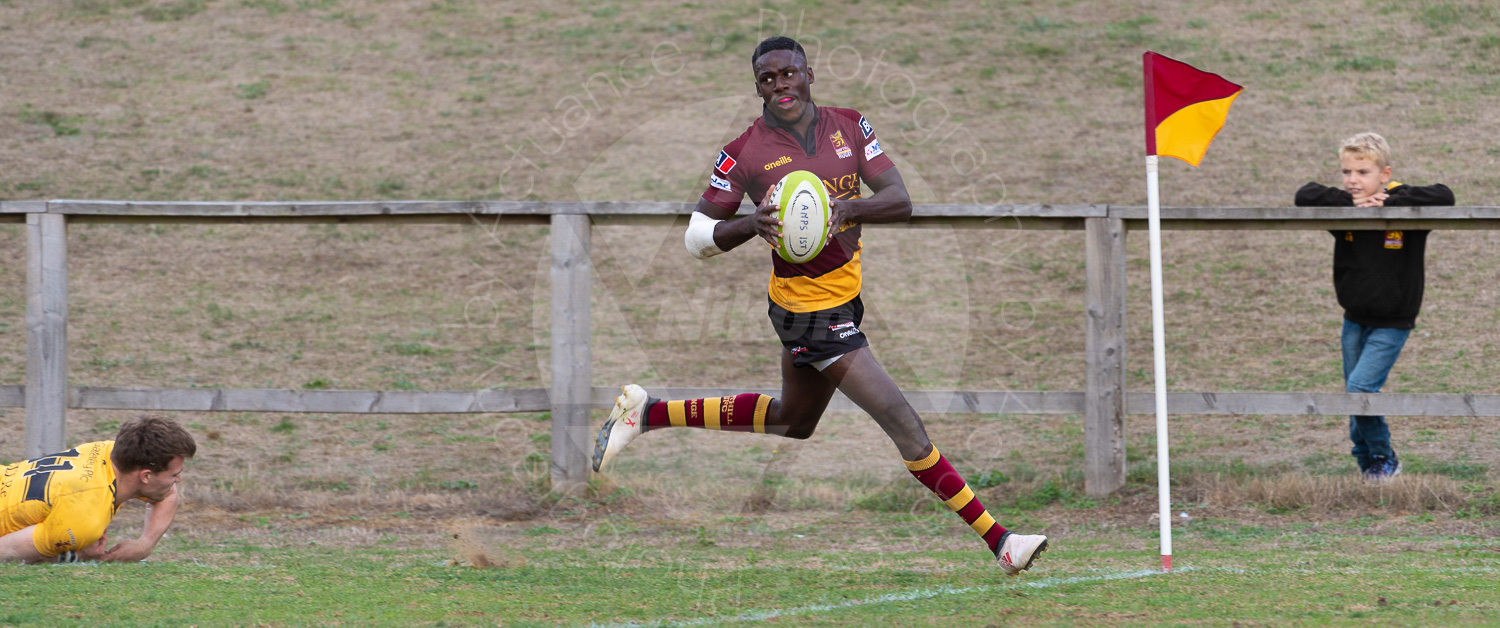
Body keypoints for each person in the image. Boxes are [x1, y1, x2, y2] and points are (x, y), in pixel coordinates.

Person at [590, 36, 1048, 576]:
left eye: (788, 73)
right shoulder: (743, 150)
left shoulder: (851, 126)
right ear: (757, 86)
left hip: (845, 298)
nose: (780, 85)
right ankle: (1001, 541)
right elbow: (697, 236)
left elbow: (900, 201)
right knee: (903, 421)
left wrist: (845, 209)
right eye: (767, 78)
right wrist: (749, 224)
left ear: (809, 73)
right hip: (806, 312)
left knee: (794, 420)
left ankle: (646, 413)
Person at [1295, 132, 1453, 481]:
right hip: (1354, 320)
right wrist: (1351, 205)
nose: (1352, 180)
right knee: (1355, 391)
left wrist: (1390, 204)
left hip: (1394, 320)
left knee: (1360, 389)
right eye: (1346, 172)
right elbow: (1304, 194)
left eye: (1363, 172)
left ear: (1384, 174)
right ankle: (1367, 462)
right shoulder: (1346, 209)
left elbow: (1445, 194)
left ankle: (1384, 456)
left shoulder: (1405, 206)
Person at [0, 414, 196, 563]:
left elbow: (168, 493)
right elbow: (6, 550)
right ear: (145, 476)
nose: (178, 480)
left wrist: (145, 544)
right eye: (174, 475)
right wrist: (78, 555)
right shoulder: (84, 520)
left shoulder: (110, 450)